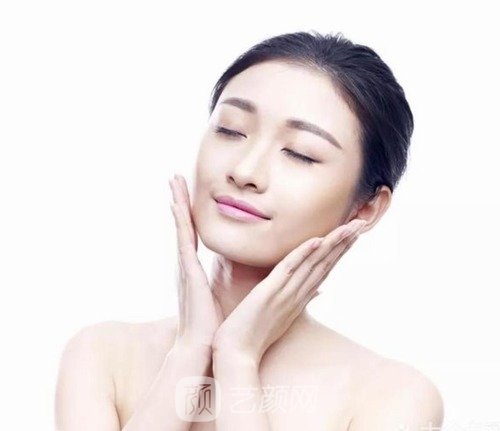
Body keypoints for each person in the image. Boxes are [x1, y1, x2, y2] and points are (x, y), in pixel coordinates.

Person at [55, 30, 444, 431]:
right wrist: (189, 353)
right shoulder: (103, 356)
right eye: (231, 130)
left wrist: (237, 359)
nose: (244, 171)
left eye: (301, 153)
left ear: (365, 208)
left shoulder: (393, 397)